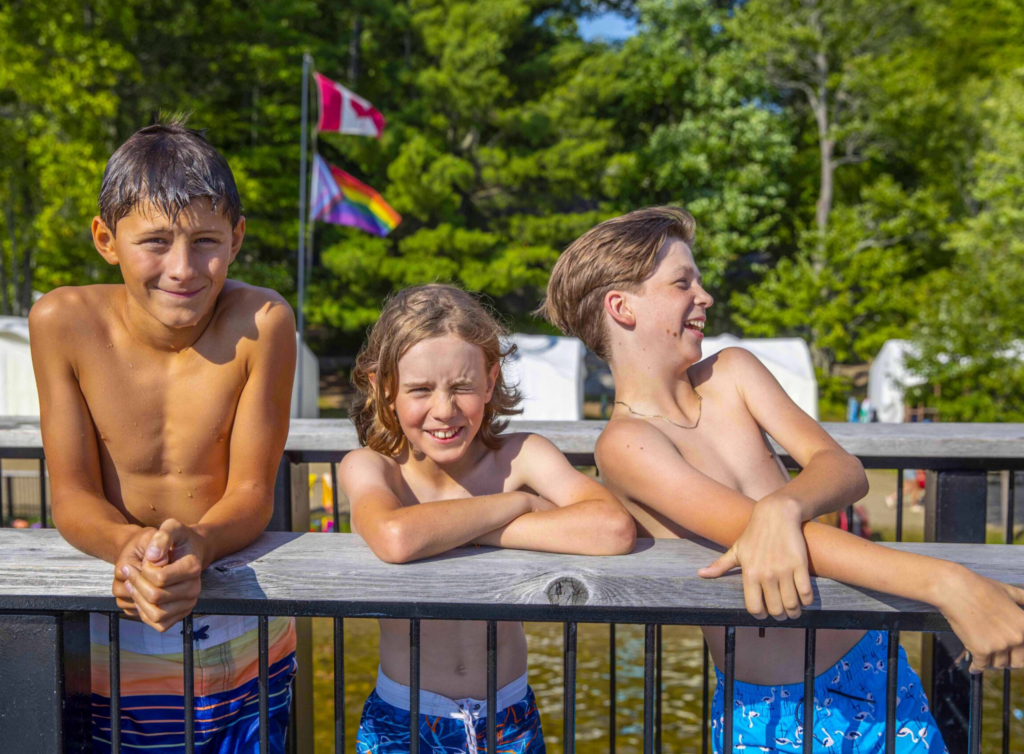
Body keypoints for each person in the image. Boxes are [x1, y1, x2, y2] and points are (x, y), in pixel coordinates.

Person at [541, 206, 1024, 753]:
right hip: (768, 715)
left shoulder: (734, 373)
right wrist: (949, 583)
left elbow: (842, 468)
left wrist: (783, 506)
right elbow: (770, 533)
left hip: (876, 668)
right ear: (621, 307)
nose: (705, 296)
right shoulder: (625, 445)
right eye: (682, 283)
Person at [29, 121, 298, 754]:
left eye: (205, 240)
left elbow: (254, 490)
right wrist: (128, 550)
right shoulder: (62, 322)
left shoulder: (264, 321)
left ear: (235, 238)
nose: (182, 268)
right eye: (155, 241)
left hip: (235, 609)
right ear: (106, 239)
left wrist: (198, 544)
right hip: (110, 610)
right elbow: (70, 494)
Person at [339, 283, 636, 754]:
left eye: (462, 387)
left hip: (509, 716)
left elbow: (614, 527)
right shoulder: (373, 467)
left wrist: (469, 530)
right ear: (383, 388)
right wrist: (517, 504)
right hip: (403, 717)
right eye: (420, 390)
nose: (444, 409)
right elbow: (395, 538)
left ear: (491, 381)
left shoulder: (521, 457)